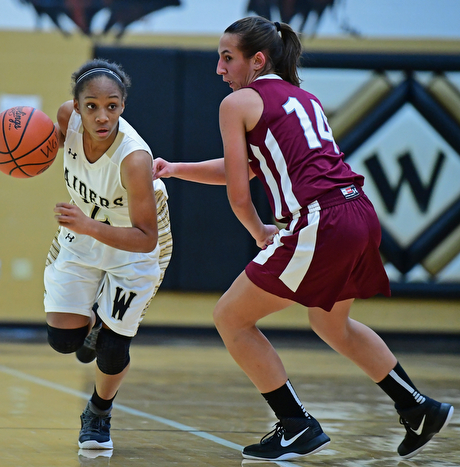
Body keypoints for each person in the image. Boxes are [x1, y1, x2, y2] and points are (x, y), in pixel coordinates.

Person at [153, 16, 453, 462]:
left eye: (227, 57)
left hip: (321, 221)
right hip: (358, 212)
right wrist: (177, 169)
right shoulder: (303, 97)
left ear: (257, 60)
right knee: (332, 324)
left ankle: (296, 425)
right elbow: (254, 167)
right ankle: (416, 406)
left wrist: (259, 232)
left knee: (231, 318)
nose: (219, 68)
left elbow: (240, 194)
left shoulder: (238, 104)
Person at [44, 58, 172, 451]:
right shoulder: (67, 118)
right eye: (92, 106)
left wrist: (86, 225)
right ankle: (95, 323)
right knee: (64, 342)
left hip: (135, 243)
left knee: (114, 350)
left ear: (123, 105)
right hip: (86, 231)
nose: (102, 116)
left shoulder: (135, 158)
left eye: (112, 106)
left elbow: (145, 237)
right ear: (77, 105)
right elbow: (38, 149)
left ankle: (99, 412)